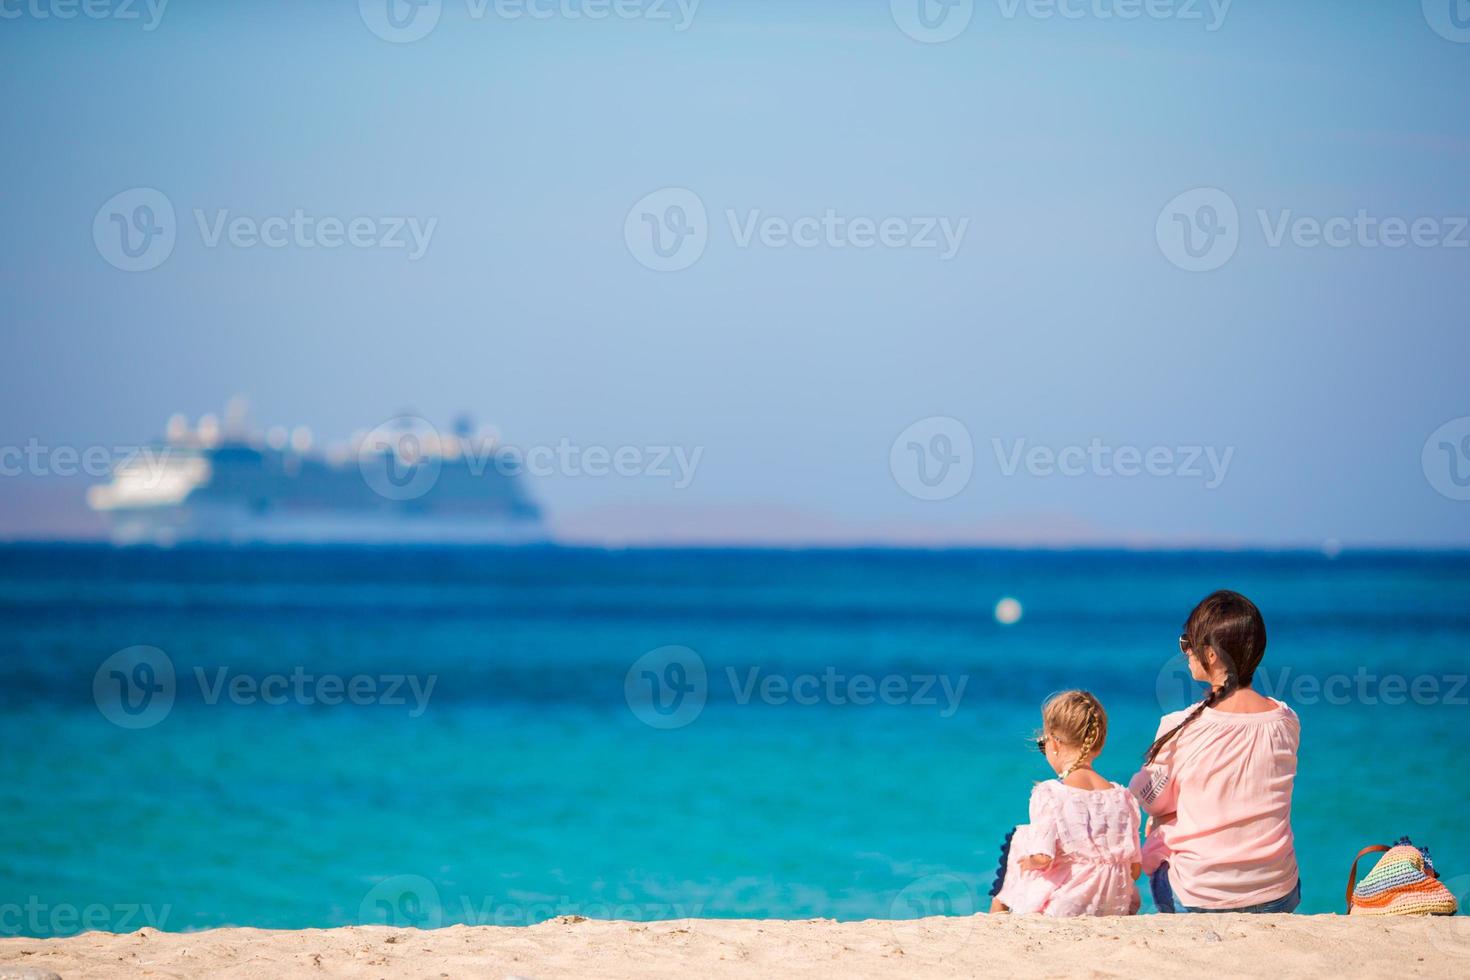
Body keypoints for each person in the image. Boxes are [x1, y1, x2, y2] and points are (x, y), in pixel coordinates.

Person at [1130, 590, 1301, 913]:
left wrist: (1153, 806)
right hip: (1277, 892)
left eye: (1187, 644)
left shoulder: (1180, 726)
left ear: (1209, 655)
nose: (1186, 653)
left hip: (1201, 895)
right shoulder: (1286, 720)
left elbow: (1151, 799)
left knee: (1159, 827)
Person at [991, 690, 1142, 916]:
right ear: (1098, 746)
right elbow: (1135, 870)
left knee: (1020, 838)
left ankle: (997, 911)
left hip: (1066, 904)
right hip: (1115, 903)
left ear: (1054, 743)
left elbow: (1043, 858)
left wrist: (1027, 862)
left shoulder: (1050, 793)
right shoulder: (1123, 797)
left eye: (1043, 744)